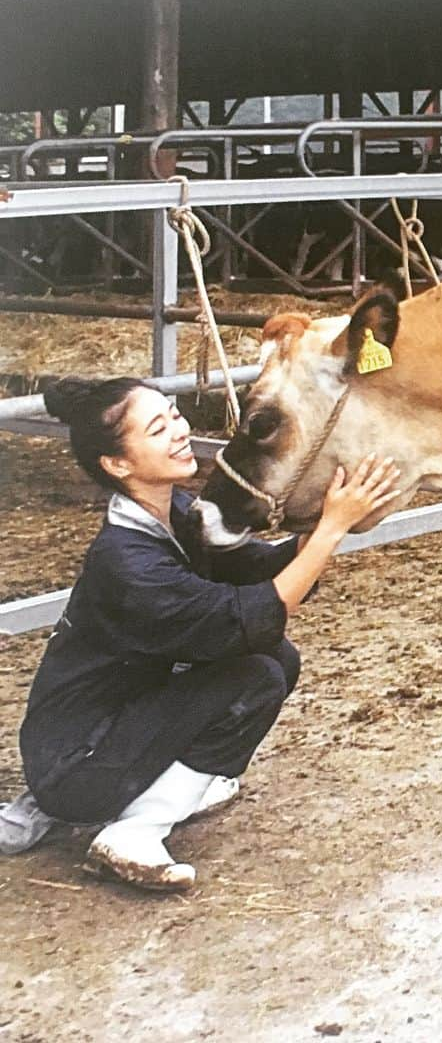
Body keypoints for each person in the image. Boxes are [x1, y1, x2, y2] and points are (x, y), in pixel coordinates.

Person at [0, 377, 400, 892]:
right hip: (78, 762)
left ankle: (166, 789)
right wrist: (330, 532)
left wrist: (323, 519)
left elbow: (258, 573)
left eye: (174, 414)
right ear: (118, 465)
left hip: (108, 729)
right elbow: (249, 615)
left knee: (277, 658)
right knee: (256, 674)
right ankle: (136, 830)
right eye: (158, 428)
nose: (180, 431)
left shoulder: (176, 514)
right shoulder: (128, 561)